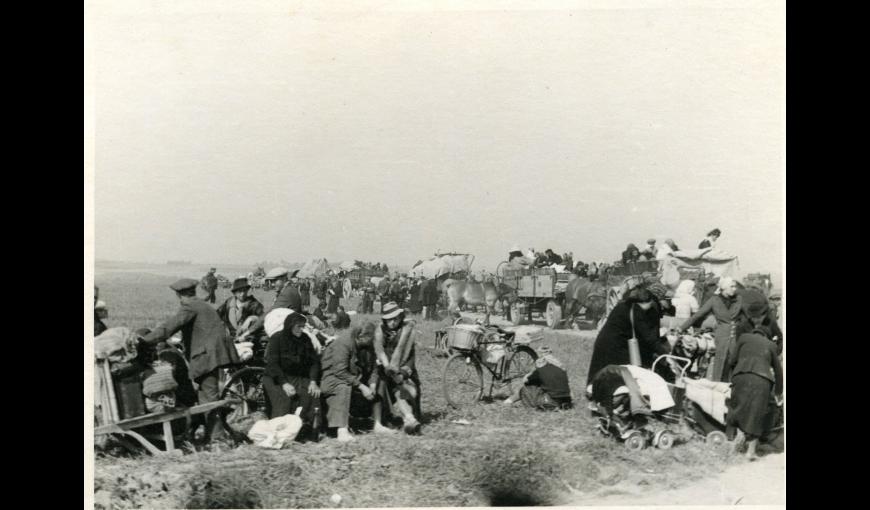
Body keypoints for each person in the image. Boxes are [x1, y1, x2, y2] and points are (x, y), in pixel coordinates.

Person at [141, 278, 240, 441]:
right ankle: (211, 434)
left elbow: (168, 328)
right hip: (211, 354)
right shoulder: (201, 305)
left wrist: (144, 340)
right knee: (205, 395)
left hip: (207, 356)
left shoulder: (190, 307)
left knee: (209, 397)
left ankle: (218, 438)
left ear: (180, 295)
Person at [586, 286, 672, 389]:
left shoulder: (623, 305)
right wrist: (666, 355)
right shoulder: (637, 310)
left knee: (602, 372)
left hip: (605, 342)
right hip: (617, 346)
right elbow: (649, 338)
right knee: (621, 374)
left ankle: (594, 391)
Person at [725, 311, 783, 461]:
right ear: (767, 336)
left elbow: (731, 360)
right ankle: (750, 452)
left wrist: (731, 378)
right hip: (762, 381)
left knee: (736, 408)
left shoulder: (744, 338)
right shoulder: (770, 345)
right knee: (756, 414)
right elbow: (778, 371)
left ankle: (731, 446)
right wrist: (778, 391)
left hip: (741, 377)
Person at [319, 324, 378, 442]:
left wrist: (372, 384)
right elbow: (339, 371)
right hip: (331, 377)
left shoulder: (367, 345)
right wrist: (361, 386)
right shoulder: (344, 343)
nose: (373, 341)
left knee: (381, 380)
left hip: (353, 376)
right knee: (343, 387)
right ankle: (342, 430)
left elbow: (374, 367)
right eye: (370, 338)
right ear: (361, 337)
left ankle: (379, 422)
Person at [263, 312, 321, 427]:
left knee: (313, 396)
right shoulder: (277, 338)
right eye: (298, 326)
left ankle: (310, 428)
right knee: (284, 401)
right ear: (290, 325)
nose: (301, 329)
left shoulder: (305, 339)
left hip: (297, 376)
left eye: (303, 326)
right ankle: (280, 430)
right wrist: (284, 383)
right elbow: (273, 364)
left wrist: (313, 381)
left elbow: (314, 362)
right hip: (276, 377)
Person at [679, 276, 743, 382]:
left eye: (735, 286)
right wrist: (681, 328)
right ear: (724, 288)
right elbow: (697, 315)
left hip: (735, 337)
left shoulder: (739, 299)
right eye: (731, 286)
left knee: (734, 363)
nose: (734, 289)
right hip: (721, 337)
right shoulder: (714, 300)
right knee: (720, 364)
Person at [374, 302, 422, 434]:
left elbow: (410, 357)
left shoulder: (406, 332)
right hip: (385, 370)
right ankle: (408, 418)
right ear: (384, 320)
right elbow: (379, 352)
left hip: (404, 370)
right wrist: (385, 366)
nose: (393, 322)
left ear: (400, 317)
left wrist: (402, 373)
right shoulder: (380, 333)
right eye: (389, 319)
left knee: (401, 386)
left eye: (396, 318)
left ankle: (410, 418)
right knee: (390, 385)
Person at [503, 346, 572, 410]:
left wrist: (530, 373)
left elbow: (525, 381)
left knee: (526, 389)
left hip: (550, 401)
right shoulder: (561, 370)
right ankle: (560, 404)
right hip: (567, 401)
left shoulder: (540, 371)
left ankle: (508, 401)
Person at [247, 267, 303, 334]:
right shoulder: (289, 289)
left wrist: (249, 331)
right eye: (271, 281)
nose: (272, 284)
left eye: (274, 281)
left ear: (283, 279)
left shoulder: (287, 293)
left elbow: (270, 314)